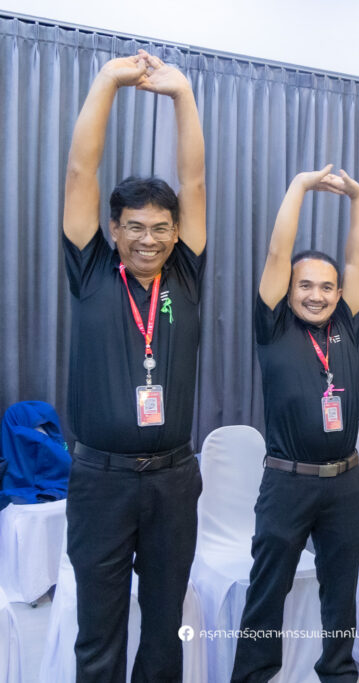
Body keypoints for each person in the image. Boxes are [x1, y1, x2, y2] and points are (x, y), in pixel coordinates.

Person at [61, 50, 206, 682]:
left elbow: (194, 182)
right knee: (99, 626)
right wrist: (109, 79)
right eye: (136, 227)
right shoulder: (92, 269)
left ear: (176, 232)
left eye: (161, 227)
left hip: (173, 480)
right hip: (101, 481)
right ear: (114, 230)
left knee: (165, 622)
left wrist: (182, 96)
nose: (149, 239)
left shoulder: (185, 275)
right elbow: (80, 171)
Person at [231, 164, 359, 682]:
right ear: (288, 290)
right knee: (268, 590)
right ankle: (252, 676)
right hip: (287, 482)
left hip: (345, 483)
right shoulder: (273, 325)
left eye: (327, 287)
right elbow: (276, 253)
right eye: (305, 285)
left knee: (341, 589)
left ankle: (338, 672)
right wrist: (299, 187)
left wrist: (358, 198)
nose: (317, 295)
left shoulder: (346, 325)